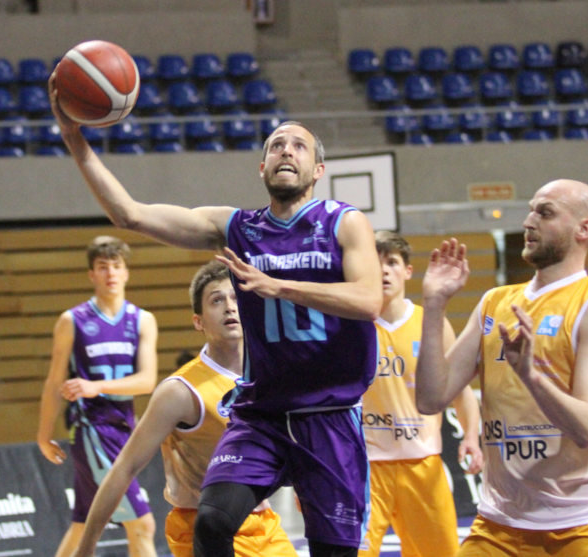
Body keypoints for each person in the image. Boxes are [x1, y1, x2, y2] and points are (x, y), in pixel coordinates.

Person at [49, 69, 382, 557]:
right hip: (262, 412)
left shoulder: (344, 222)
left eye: (299, 146)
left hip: (329, 415)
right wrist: (75, 139)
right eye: (276, 145)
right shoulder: (236, 227)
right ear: (262, 166)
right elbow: (130, 215)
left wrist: (280, 286)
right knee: (211, 522)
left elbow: (369, 300)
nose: (286, 150)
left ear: (317, 172)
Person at [414, 179, 588, 556]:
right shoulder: (494, 302)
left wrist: (532, 376)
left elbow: (586, 428)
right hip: (501, 523)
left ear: (585, 229)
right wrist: (434, 306)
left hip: (583, 524)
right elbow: (431, 399)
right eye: (531, 209)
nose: (529, 221)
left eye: (545, 212)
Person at [73, 260, 297, 557]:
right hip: (202, 528)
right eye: (217, 300)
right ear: (198, 321)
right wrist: (86, 548)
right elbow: (125, 468)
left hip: (263, 523)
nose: (230, 307)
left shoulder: (270, 375)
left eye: (236, 298)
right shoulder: (179, 391)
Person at [359, 231, 484, 557]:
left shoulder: (431, 324)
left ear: (408, 271)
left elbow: (461, 390)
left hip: (422, 463)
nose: (384, 270)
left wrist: (471, 434)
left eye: (392, 262)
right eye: (376, 263)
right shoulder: (351, 325)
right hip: (366, 467)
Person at [36, 235, 159, 557]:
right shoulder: (71, 321)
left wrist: (98, 386)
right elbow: (53, 383)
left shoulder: (142, 320)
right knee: (142, 525)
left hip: (124, 430)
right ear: (92, 275)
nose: (111, 274)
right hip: (92, 431)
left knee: (84, 525)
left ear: (127, 272)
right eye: (103, 267)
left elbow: (147, 381)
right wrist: (43, 435)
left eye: (116, 266)